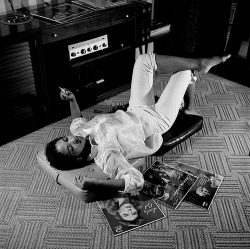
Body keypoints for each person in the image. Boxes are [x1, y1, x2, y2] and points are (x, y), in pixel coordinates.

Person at [45, 53, 230, 195]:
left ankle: (194, 84)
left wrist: (72, 99)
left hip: (136, 108)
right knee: (183, 72)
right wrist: (99, 184)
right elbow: (135, 181)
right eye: (70, 148)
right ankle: (197, 72)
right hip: (156, 120)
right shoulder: (106, 155)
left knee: (143, 60)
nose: (72, 140)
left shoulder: (79, 131)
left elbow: (76, 119)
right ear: (78, 158)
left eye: (66, 139)